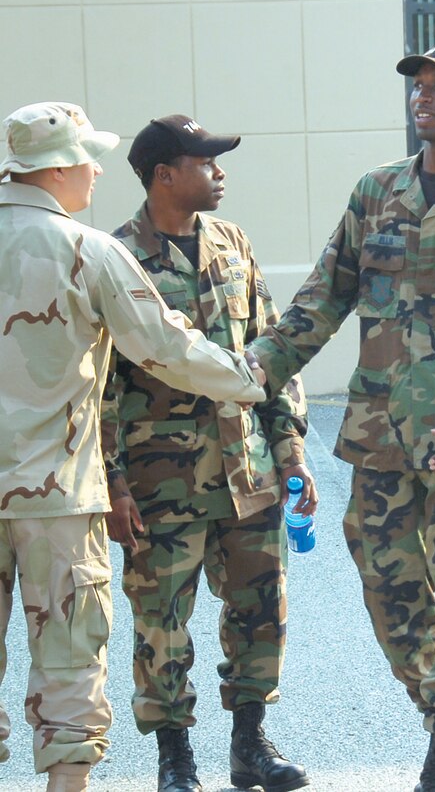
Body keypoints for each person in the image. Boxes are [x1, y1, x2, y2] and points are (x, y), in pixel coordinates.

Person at [246, 39, 435, 792]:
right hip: (381, 437)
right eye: (419, 84)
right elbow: (322, 299)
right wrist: (249, 371)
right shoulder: (376, 192)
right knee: (389, 590)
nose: (425, 95)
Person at [0, 103, 267, 792]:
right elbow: (168, 348)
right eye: (87, 156)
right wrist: (249, 380)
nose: (95, 168)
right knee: (67, 660)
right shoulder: (90, 250)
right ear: (57, 168)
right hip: (55, 497)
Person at [102, 114, 316, 792]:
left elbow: (271, 352)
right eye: (206, 161)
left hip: (247, 472)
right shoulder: (117, 257)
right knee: (161, 622)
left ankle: (250, 746)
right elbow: (99, 383)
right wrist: (111, 482)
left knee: (260, 611)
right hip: (160, 479)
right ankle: (175, 760)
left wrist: (290, 452)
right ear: (165, 173)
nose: (220, 172)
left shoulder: (232, 244)